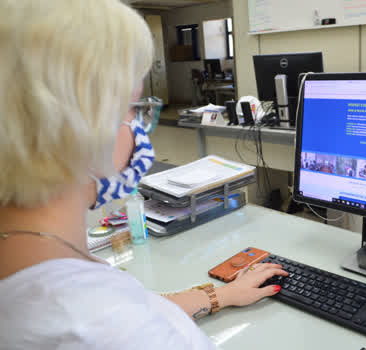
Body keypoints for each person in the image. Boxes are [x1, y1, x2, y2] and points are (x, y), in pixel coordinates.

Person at [0, 1, 287, 349]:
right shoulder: (94, 325)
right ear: (83, 125)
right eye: (134, 108)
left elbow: (138, 309)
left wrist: (219, 296)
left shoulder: (32, 258)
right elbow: (117, 323)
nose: (139, 127)